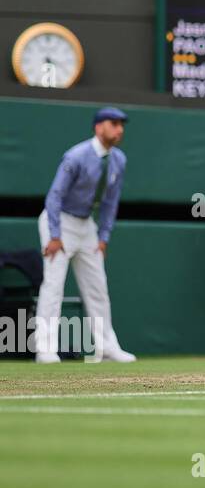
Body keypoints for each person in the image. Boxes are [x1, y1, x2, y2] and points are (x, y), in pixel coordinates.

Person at [34, 107, 136, 363]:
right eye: (114, 123)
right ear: (98, 127)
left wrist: (103, 238)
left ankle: (106, 347)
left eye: (122, 124)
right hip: (58, 222)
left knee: (97, 287)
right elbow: (54, 196)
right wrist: (55, 235)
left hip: (86, 227)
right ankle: (45, 348)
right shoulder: (76, 156)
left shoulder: (119, 160)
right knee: (54, 285)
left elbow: (111, 203)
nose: (120, 129)